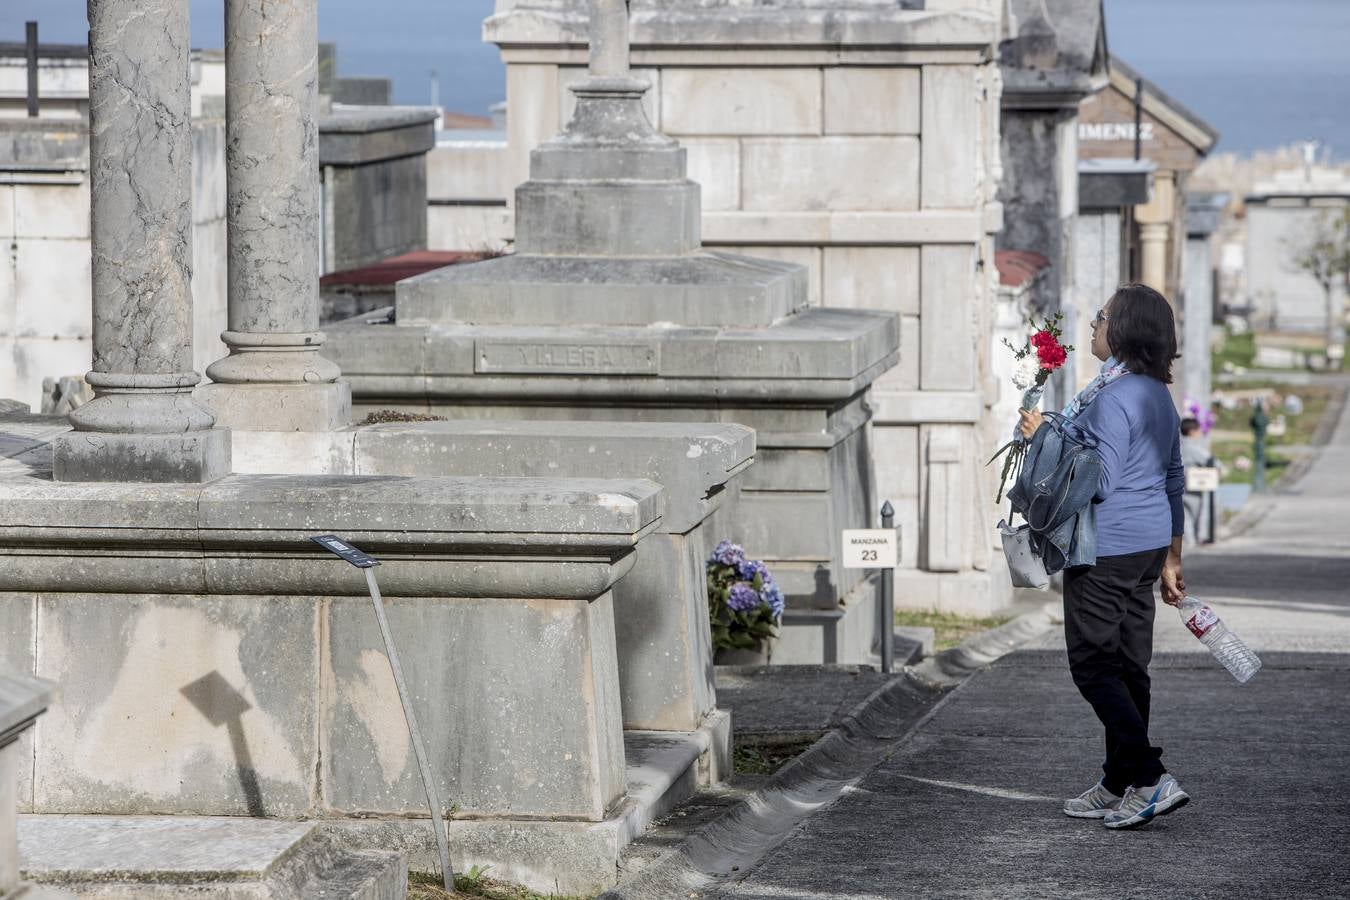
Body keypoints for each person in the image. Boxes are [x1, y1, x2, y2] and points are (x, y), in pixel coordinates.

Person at [1018, 283, 1189, 830]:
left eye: (1102, 317)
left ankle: (1150, 777)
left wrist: (1045, 434)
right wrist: (1172, 556)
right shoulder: (1155, 392)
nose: (1094, 325)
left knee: (1093, 665)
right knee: (1130, 666)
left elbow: (1100, 479)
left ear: (1125, 330)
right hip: (1146, 545)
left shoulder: (1112, 397)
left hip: (1108, 547)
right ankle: (1120, 781)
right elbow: (1173, 475)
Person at [1180, 418, 1212, 545]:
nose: (1200, 433)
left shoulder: (1178, 446)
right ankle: (1199, 539)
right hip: (1195, 486)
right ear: (1192, 432)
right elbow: (1210, 460)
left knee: (1185, 516)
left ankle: (1190, 542)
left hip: (1180, 486)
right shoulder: (1194, 448)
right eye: (1199, 430)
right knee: (1200, 513)